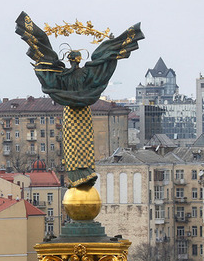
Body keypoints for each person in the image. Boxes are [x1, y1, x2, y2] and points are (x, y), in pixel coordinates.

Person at [15, 12, 144, 186]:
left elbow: (47, 68)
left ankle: (77, 175)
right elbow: (103, 66)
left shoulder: (63, 77)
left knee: (71, 144)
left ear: (69, 60)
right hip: (83, 113)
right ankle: (85, 173)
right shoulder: (88, 74)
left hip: (71, 114)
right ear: (79, 59)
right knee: (83, 142)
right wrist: (111, 49)